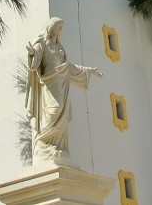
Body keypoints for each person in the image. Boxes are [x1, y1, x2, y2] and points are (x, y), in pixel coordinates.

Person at [25, 17, 102, 165]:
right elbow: (34, 64)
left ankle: (57, 145)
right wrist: (32, 54)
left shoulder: (59, 47)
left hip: (62, 83)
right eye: (59, 27)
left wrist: (90, 70)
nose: (60, 30)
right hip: (49, 82)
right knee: (55, 110)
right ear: (52, 27)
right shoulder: (42, 43)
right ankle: (43, 141)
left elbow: (67, 67)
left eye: (61, 28)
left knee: (62, 115)